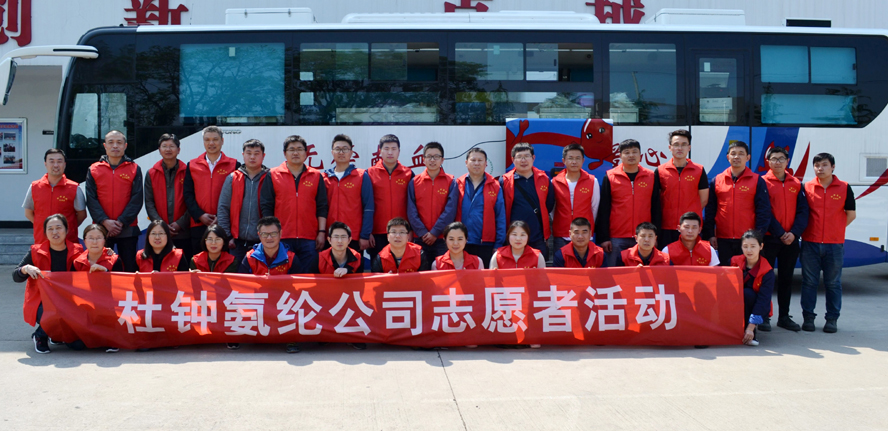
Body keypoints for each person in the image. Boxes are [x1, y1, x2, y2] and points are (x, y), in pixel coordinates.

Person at [800, 153, 856, 333]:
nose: (820, 168)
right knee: (809, 282)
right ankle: (808, 318)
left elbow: (851, 214)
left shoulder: (844, 187)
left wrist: (836, 230)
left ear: (833, 167)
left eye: (824, 165)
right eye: (817, 165)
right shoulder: (807, 187)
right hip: (810, 243)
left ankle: (832, 319)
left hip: (834, 245)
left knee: (833, 283)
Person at [12, 214, 83, 353]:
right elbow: (16, 276)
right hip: (42, 302)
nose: (55, 232)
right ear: (45, 232)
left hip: (69, 301)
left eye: (58, 227)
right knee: (54, 311)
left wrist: (108, 253)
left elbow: (93, 263)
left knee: (78, 345)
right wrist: (25, 269)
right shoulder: (36, 251)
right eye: (50, 229)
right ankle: (40, 335)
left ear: (67, 230)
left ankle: (56, 334)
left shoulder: (78, 250)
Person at [261, 135, 328, 269]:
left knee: (308, 277)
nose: (295, 153)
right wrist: (270, 233)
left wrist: (321, 232)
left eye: (299, 149)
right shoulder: (273, 174)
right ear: (285, 153)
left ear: (306, 153)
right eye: (291, 149)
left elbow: (322, 207)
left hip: (309, 238)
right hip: (281, 236)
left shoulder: (316, 175)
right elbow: (266, 206)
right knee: (283, 277)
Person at [761, 146, 809, 332]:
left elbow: (803, 212)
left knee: (786, 279)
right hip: (770, 239)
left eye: (781, 159)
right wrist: (780, 233)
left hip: (791, 241)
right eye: (774, 159)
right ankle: (764, 316)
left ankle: (784, 317)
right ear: (768, 162)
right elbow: (765, 212)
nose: (778, 162)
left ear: (787, 161)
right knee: (765, 279)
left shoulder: (796, 183)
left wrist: (794, 233)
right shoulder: (762, 182)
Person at [704, 141, 772, 265]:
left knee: (747, 273)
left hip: (748, 240)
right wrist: (710, 234)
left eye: (741, 153)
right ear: (728, 157)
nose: (736, 157)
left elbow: (764, 211)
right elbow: (710, 210)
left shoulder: (757, 180)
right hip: (723, 239)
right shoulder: (717, 180)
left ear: (748, 157)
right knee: (726, 273)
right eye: (733, 153)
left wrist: (757, 236)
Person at [84, 130, 143, 272]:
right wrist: (104, 221)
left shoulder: (134, 168)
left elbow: (137, 198)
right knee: (101, 268)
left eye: (119, 142)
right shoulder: (94, 169)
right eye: (111, 142)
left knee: (129, 268)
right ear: (105, 146)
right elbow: (91, 199)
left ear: (125, 146)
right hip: (101, 230)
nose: (115, 146)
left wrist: (121, 222)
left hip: (128, 229)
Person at [597, 139, 660, 267]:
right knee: (614, 273)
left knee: (643, 274)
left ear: (640, 155)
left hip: (644, 236)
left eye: (634, 152)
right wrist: (604, 238)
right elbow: (604, 209)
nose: (631, 155)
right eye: (627, 152)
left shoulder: (651, 176)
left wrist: (656, 235)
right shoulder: (610, 176)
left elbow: (656, 208)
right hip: (616, 237)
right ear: (620, 156)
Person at [184, 126, 240, 254]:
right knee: (199, 261)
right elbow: (188, 195)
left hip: (224, 224)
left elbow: (236, 196)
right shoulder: (192, 165)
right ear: (203, 142)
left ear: (222, 141)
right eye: (207, 140)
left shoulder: (234, 165)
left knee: (223, 261)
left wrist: (221, 217)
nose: (211, 143)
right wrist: (200, 215)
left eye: (215, 139)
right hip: (198, 224)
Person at [217, 139, 269, 265]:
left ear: (263, 156)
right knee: (236, 275)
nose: (252, 157)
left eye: (256, 153)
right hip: (236, 242)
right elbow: (223, 208)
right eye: (249, 153)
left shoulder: (270, 178)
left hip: (263, 242)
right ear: (243, 155)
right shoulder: (233, 178)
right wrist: (227, 237)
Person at [500, 143, 555, 258]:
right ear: (513, 159)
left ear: (533, 158)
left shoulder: (544, 179)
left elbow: (549, 205)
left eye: (527, 156)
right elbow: (501, 209)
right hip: (514, 237)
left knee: (539, 267)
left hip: (537, 237)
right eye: (519, 157)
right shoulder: (504, 181)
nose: (523, 160)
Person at [655, 129, 708, 248]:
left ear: (689, 147)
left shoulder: (699, 170)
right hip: (666, 227)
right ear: (670, 147)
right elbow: (657, 200)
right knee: (666, 258)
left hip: (690, 228)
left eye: (684, 144)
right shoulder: (660, 171)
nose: (680, 148)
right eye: (676, 144)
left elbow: (703, 200)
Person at [323, 134, 374, 252]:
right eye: (338, 149)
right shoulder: (324, 177)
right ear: (332, 152)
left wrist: (364, 235)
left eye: (345, 149)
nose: (341, 152)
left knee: (354, 263)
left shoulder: (361, 176)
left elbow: (368, 207)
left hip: (353, 236)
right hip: (330, 236)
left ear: (351, 153)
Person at [367, 134, 413, 264]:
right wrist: (367, 232)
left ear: (399, 151)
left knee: (403, 267)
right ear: (380, 151)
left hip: (401, 232)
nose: (390, 152)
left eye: (394, 149)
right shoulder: (369, 173)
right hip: (377, 232)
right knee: (378, 268)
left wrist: (411, 230)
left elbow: (413, 205)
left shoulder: (408, 174)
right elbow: (365, 204)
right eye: (386, 149)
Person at [23, 148, 86, 244]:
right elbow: (28, 213)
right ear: (45, 164)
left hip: (67, 242)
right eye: (51, 161)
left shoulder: (74, 188)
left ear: (64, 164)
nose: (56, 165)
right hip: (42, 241)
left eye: (59, 161)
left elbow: (82, 215)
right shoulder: (34, 187)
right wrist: (43, 226)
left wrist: (68, 227)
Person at [455, 148, 505, 268]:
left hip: (486, 243)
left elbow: (500, 217)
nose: (476, 163)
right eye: (473, 160)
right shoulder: (457, 184)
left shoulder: (495, 186)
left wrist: (498, 244)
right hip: (461, 242)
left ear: (486, 163)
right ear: (466, 162)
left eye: (480, 160)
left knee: (485, 277)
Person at [144, 134, 191, 261]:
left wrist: (180, 224)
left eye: (172, 146)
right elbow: (149, 202)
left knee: (183, 266)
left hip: (183, 232)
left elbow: (192, 201)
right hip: (159, 234)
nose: (168, 149)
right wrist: (161, 226)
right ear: (159, 150)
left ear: (178, 150)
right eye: (164, 146)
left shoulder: (188, 171)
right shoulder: (151, 173)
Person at [407, 141, 458, 259]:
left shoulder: (451, 181)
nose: (432, 160)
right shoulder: (414, 182)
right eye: (429, 156)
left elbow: (450, 210)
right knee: (421, 269)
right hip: (420, 238)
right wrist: (422, 233)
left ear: (442, 160)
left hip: (442, 238)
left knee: (442, 269)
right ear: (423, 159)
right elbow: (411, 210)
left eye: (436, 157)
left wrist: (435, 232)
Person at [730, 229, 775, 347]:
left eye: (753, 246)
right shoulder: (734, 262)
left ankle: (750, 331)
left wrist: (751, 327)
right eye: (745, 246)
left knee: (747, 294)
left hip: (755, 304)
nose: (749, 250)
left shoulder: (767, 271)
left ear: (761, 246)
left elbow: (763, 300)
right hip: (733, 299)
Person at [551, 143, 600, 252]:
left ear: (583, 161)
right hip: (561, 234)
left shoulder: (592, 181)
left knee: (585, 262)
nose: (574, 162)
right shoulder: (554, 182)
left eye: (578, 158)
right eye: (571, 158)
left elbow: (594, 207)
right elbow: (552, 209)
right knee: (561, 262)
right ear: (564, 161)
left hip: (584, 235)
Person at [238, 216, 302, 276]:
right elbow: (242, 282)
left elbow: (298, 282)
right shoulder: (250, 258)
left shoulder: (291, 259)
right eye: (264, 234)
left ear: (280, 234)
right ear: (259, 235)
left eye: (273, 233)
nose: (269, 238)